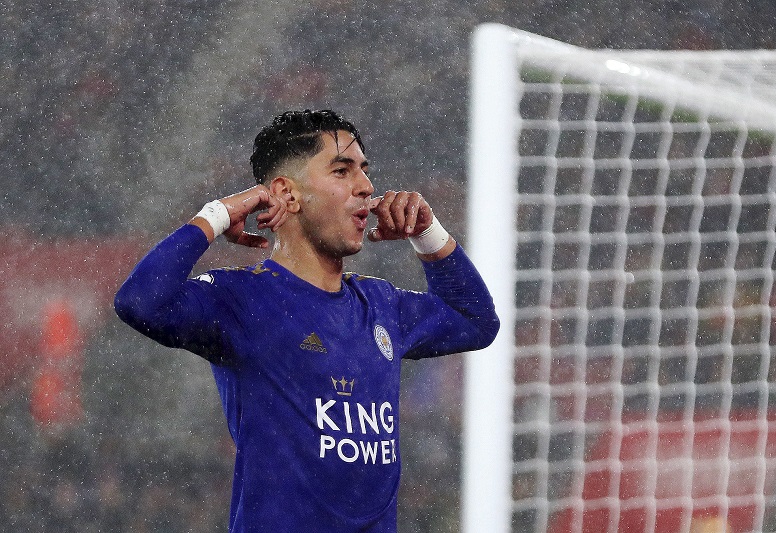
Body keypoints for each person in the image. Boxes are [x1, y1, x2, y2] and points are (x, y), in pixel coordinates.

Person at [114, 109, 499, 532]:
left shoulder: (381, 304)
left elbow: (476, 321)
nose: (366, 186)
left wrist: (428, 233)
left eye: (364, 170)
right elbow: (140, 303)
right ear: (287, 193)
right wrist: (217, 214)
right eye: (342, 170)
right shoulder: (244, 299)